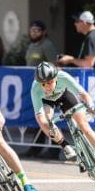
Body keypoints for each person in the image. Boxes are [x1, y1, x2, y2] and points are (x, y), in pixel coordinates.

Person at [30, 61, 95, 179]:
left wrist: (90, 106)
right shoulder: (35, 88)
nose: (47, 86)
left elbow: (83, 94)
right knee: (45, 121)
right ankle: (65, 145)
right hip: (47, 102)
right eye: (43, 84)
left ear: (56, 78)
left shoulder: (63, 77)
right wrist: (47, 124)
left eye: (50, 82)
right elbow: (39, 116)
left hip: (64, 96)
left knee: (85, 127)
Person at [22, 19, 60, 159]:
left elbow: (53, 65)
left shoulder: (47, 45)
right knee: (39, 118)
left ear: (43, 32)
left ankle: (56, 148)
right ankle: (37, 147)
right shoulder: (31, 46)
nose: (33, 33)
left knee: (47, 117)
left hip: (46, 86)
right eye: (32, 30)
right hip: (34, 87)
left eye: (37, 30)